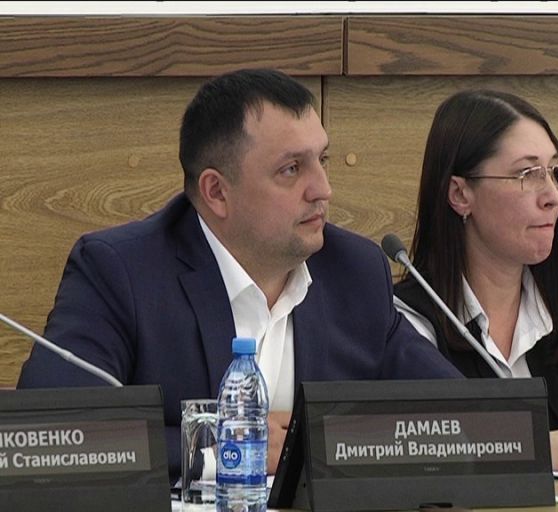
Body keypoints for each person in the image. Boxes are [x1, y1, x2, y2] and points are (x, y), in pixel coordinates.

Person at [17, 69, 461, 482]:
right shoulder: (123, 272)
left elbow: (459, 418)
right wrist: (231, 446)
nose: (323, 189)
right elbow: (55, 437)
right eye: (292, 169)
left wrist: (327, 443)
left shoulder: (353, 271)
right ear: (217, 192)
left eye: (322, 159)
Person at [393, 89, 558, 471]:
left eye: (554, 172)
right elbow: (440, 452)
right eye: (527, 174)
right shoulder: (408, 322)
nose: (552, 196)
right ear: (460, 194)